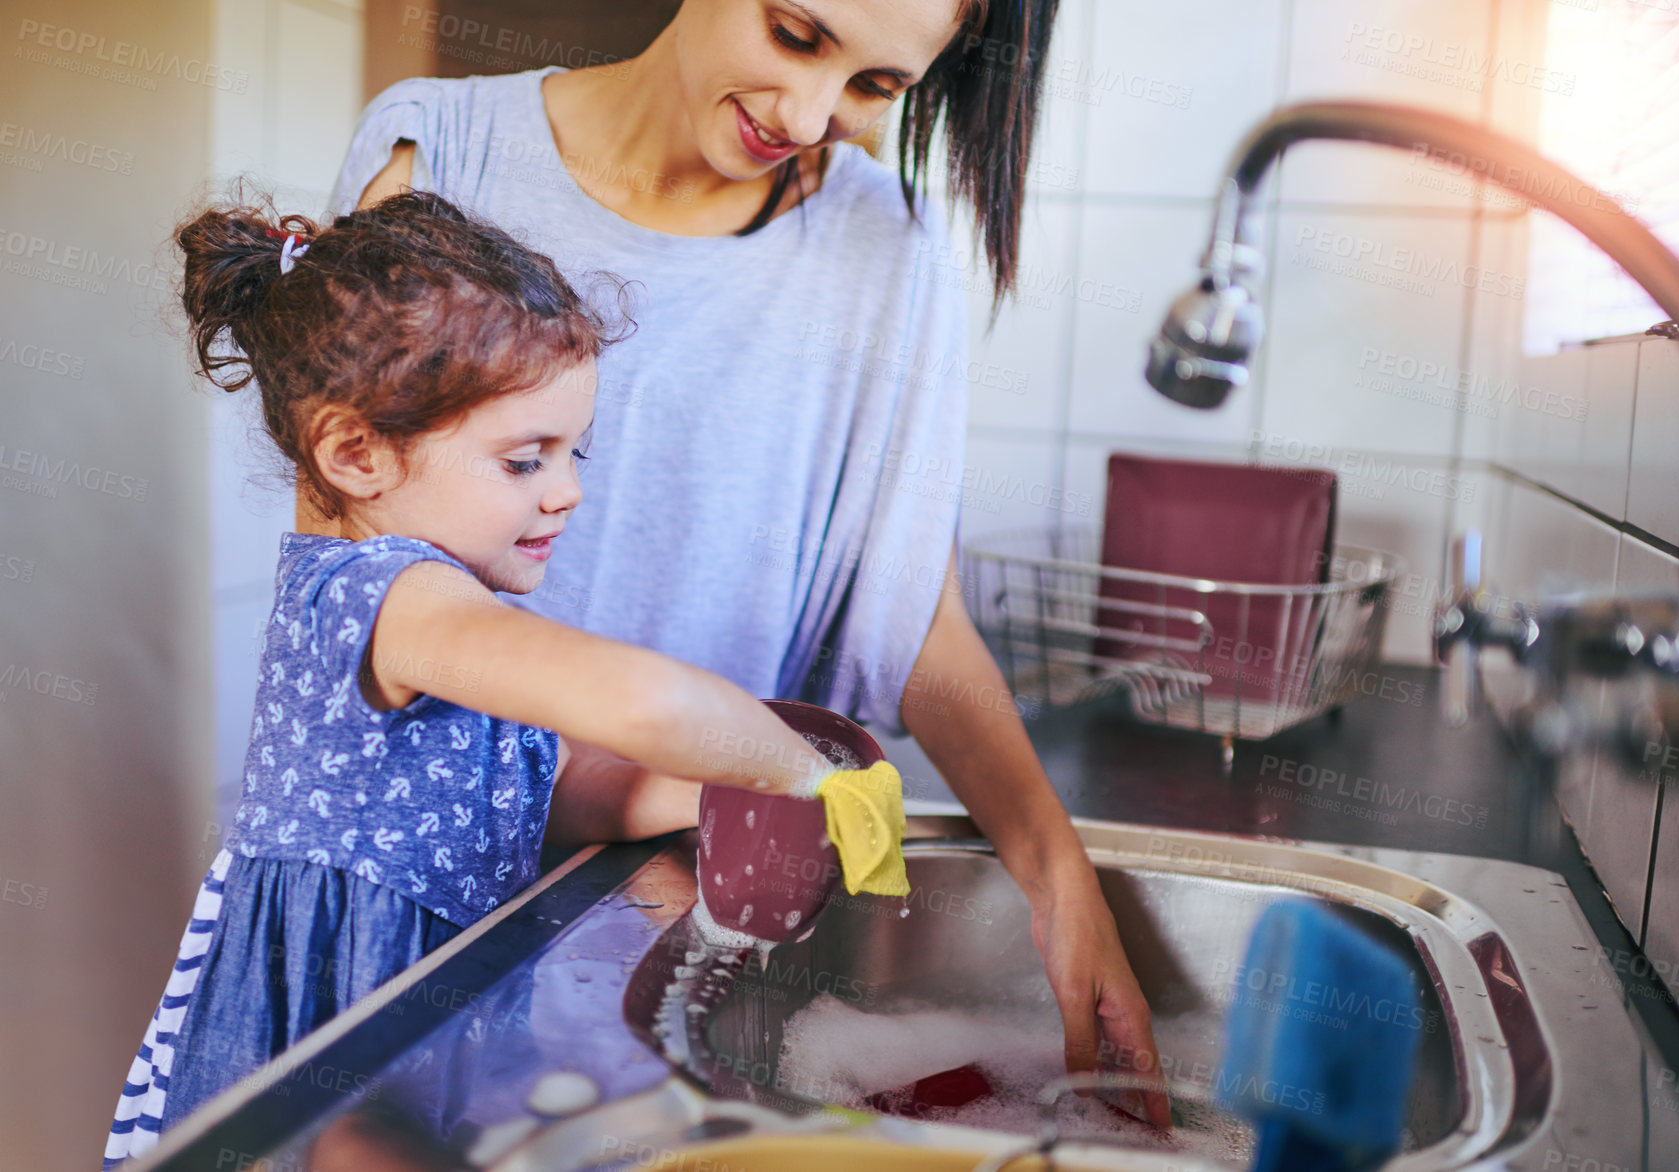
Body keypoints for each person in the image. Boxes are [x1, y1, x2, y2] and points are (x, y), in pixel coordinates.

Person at [319, 0, 1171, 1128]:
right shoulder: (441, 160)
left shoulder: (888, 249)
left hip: (690, 920)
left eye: (876, 88)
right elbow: (354, 591)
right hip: (430, 913)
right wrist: (705, 759)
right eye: (796, 35)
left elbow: (910, 612)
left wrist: (1057, 872)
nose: (812, 114)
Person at [103, 189, 902, 1167]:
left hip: (425, 1029)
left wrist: (694, 790)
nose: (566, 489)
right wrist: (803, 772)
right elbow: (646, 702)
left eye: (575, 452)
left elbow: (532, 791)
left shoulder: (437, 606)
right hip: (343, 1035)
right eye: (525, 459)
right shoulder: (388, 598)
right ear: (356, 451)